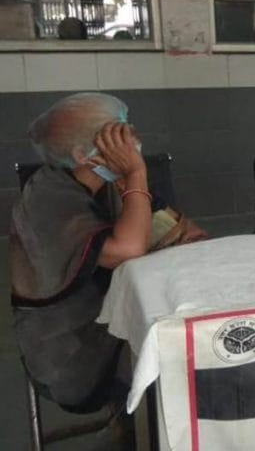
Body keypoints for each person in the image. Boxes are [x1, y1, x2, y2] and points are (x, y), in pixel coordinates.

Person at [9, 93, 206, 414]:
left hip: (116, 318)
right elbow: (126, 250)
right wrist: (137, 175)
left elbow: (184, 234)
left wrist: (181, 235)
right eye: (120, 133)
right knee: (189, 352)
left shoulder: (111, 184)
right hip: (73, 353)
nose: (134, 139)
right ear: (81, 154)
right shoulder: (47, 198)